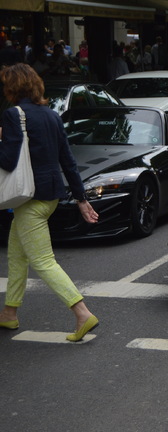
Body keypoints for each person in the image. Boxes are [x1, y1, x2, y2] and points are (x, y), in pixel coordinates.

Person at [0, 64, 100, 342]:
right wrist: (81, 199)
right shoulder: (51, 115)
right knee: (17, 254)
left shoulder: (12, 115)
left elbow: (8, 160)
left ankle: (82, 312)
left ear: (12, 88)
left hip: (28, 198)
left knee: (43, 260)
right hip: (52, 195)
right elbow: (67, 160)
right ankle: (9, 312)